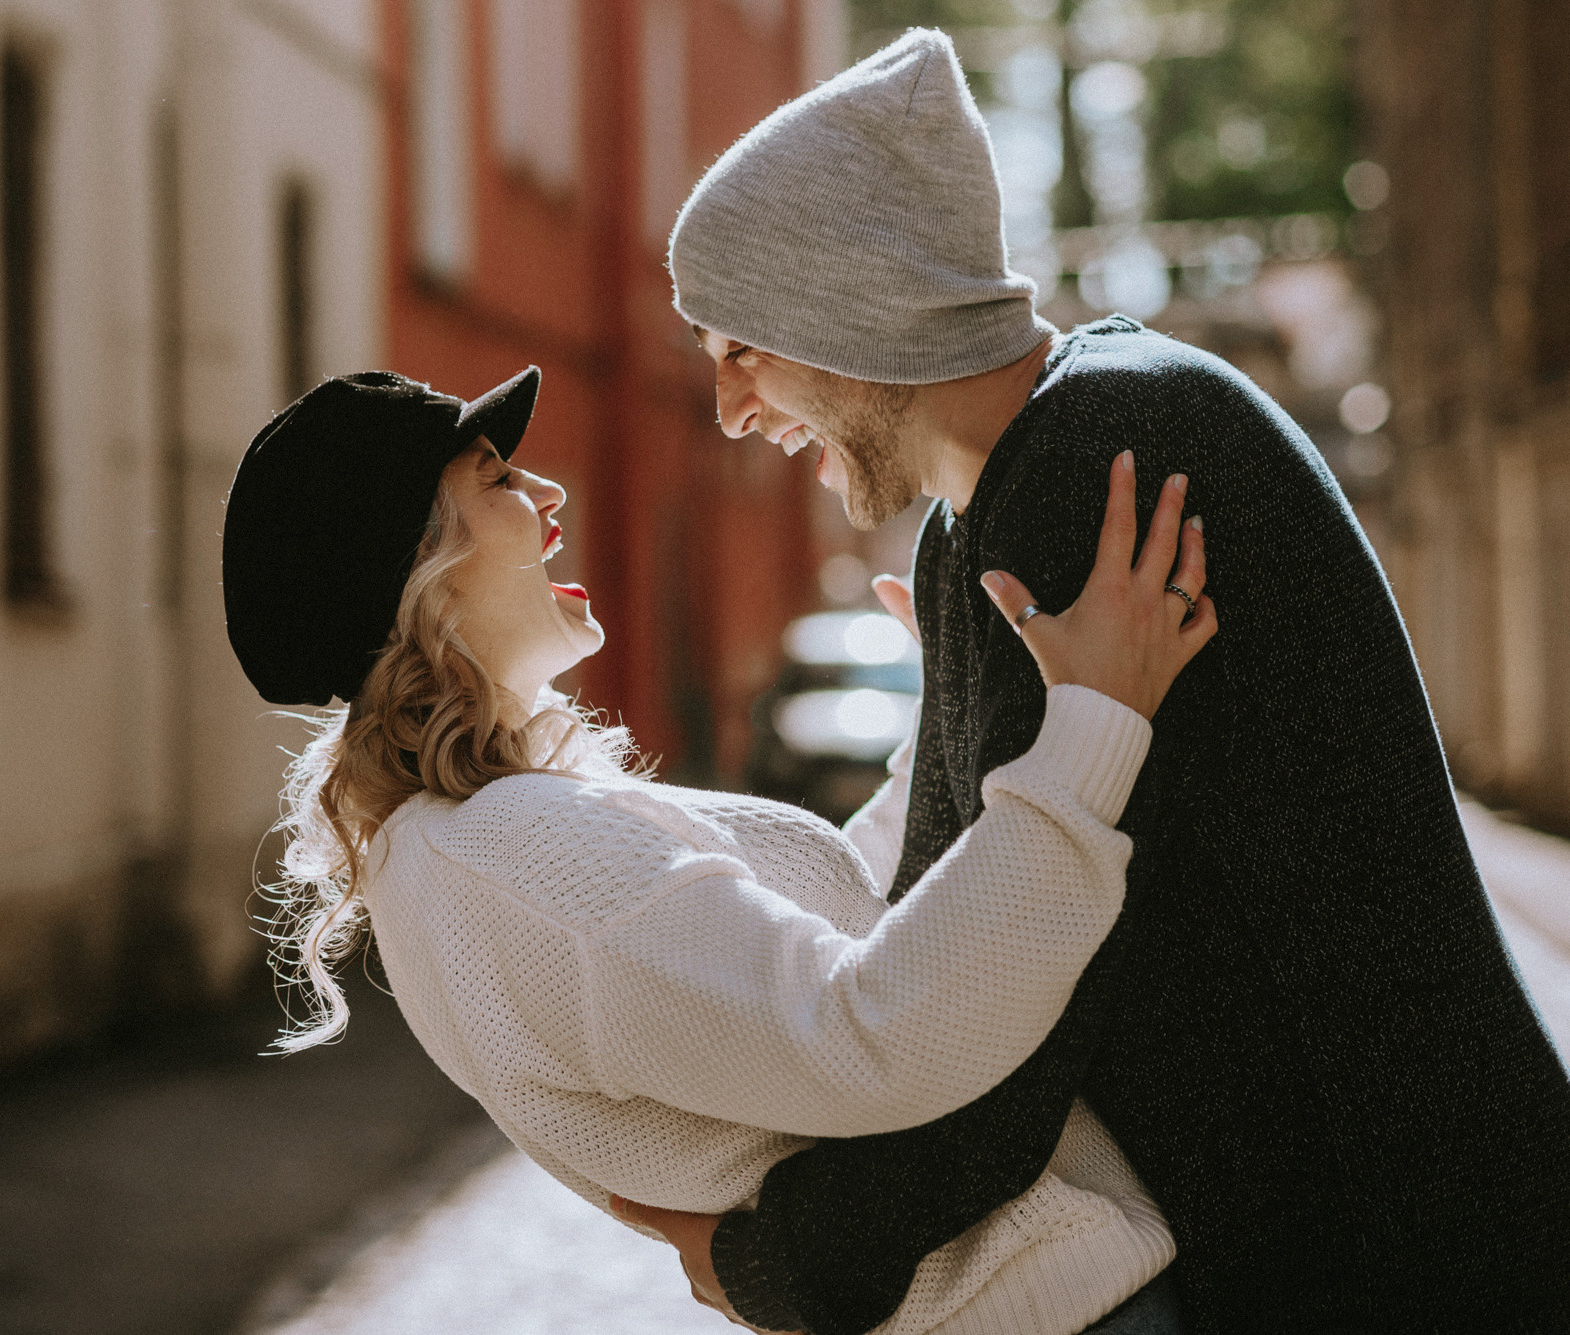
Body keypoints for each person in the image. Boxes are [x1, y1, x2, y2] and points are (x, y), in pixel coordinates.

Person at [630, 26, 1570, 1335]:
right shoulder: (981, 518)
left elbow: (1016, 1007)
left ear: (843, 307)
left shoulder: (1103, 455)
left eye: (739, 346)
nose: (730, 407)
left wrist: (784, 1259)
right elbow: (952, 930)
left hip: (1414, 1255)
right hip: (1329, 1252)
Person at [220, 365, 1215, 1335]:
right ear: (419, 574)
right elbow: (869, 1030)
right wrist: (1096, 719)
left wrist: (941, 719)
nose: (547, 492)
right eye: (495, 479)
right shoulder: (514, 856)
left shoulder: (468, 843)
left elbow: (843, 926)